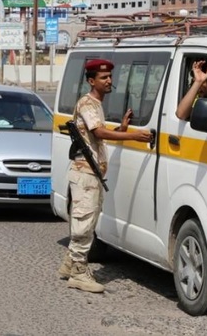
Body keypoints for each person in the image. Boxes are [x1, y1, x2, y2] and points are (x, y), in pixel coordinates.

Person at [58, 59, 152, 293]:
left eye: (110, 76)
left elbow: (97, 138)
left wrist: (121, 128)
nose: (109, 81)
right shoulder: (88, 103)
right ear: (92, 81)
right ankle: (79, 273)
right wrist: (133, 136)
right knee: (84, 221)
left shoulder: (96, 105)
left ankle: (70, 265)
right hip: (85, 173)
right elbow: (98, 131)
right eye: (103, 78)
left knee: (89, 220)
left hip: (92, 173)